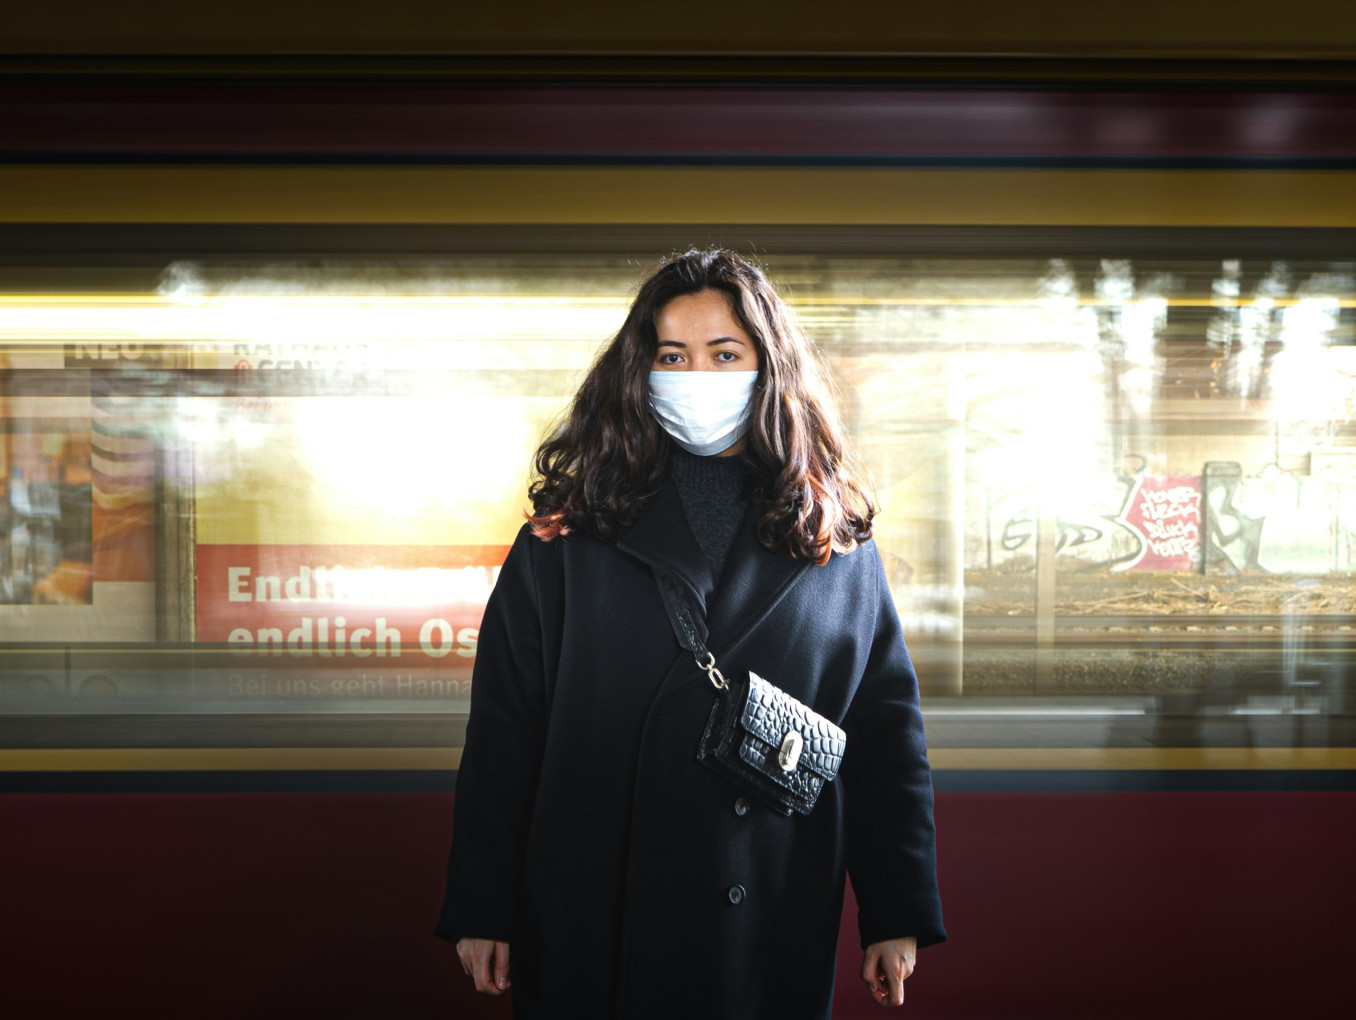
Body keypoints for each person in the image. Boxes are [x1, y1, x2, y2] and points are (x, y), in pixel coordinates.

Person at [436, 249, 945, 1017]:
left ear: (768, 367)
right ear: (641, 373)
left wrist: (897, 909)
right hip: (592, 908)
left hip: (769, 901)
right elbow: (506, 733)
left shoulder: (836, 542)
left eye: (724, 354)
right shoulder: (564, 539)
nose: (696, 376)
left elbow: (885, 738)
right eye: (672, 356)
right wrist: (483, 902)